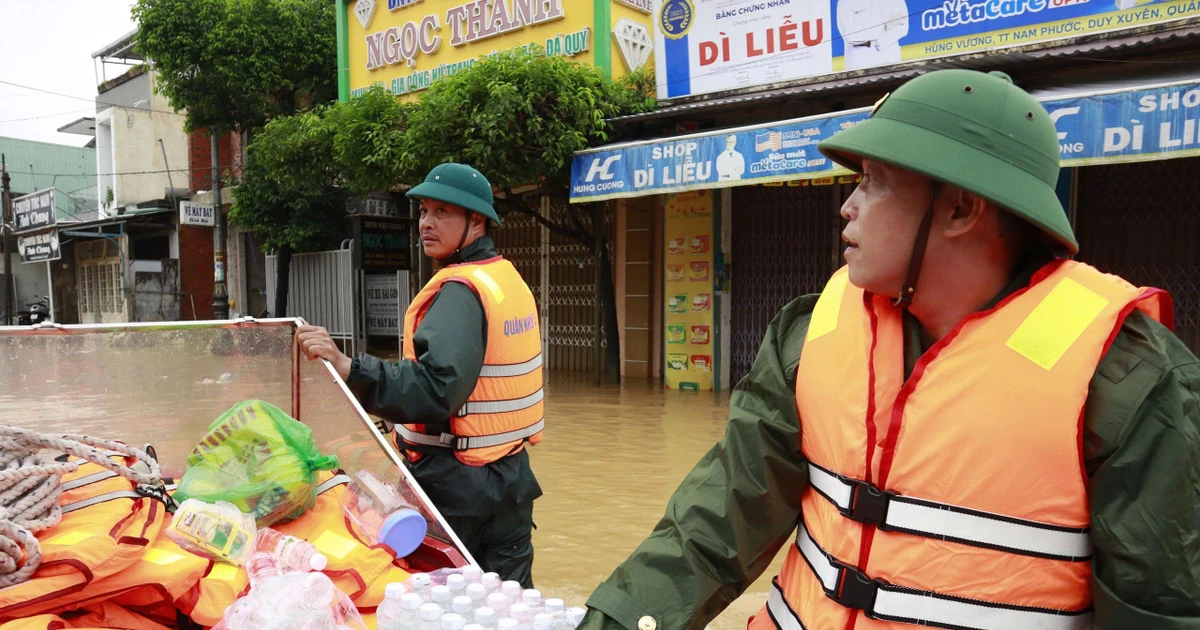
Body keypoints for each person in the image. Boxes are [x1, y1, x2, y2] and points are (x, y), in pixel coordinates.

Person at [578, 70, 1200, 630]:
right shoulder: (811, 332)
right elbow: (717, 519)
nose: (846, 207)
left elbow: (1165, 608)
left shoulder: (1128, 375)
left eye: (873, 183)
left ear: (959, 208)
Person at [298, 163, 544, 587]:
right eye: (424, 211)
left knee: (442, 605)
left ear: (477, 220)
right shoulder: (504, 278)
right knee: (509, 606)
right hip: (510, 481)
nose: (427, 224)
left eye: (443, 212)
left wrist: (347, 366)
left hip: (457, 487)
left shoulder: (460, 291)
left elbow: (436, 389)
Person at [838, 0, 908, 70]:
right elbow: (851, 36)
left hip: (890, 55)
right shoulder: (846, 2)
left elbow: (903, 28)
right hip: (861, 59)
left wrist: (875, 42)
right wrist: (885, 26)